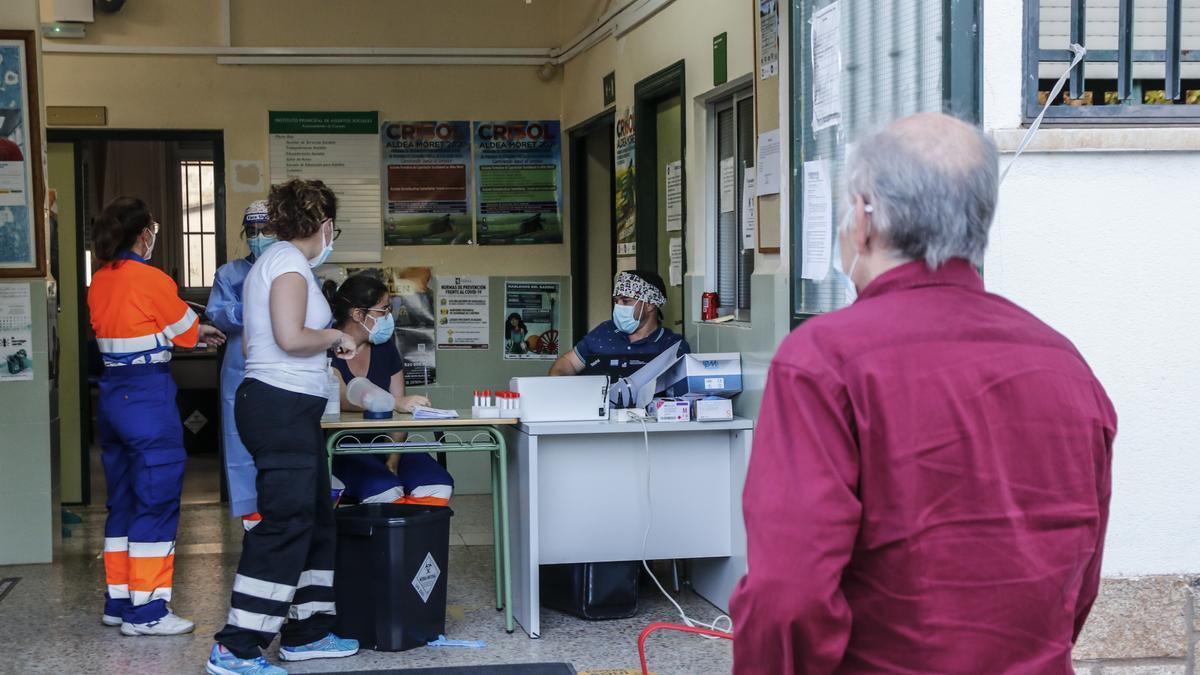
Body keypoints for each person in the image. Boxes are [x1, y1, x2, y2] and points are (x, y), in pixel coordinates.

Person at [729, 113, 1116, 674]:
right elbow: (1079, 584)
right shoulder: (1066, 366)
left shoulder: (823, 361)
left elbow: (787, 598)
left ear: (865, 218)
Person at [209, 180, 361, 675]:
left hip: (281, 404)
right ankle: (237, 645)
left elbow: (256, 347)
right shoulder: (291, 266)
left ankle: (308, 631)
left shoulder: (268, 265)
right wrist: (336, 335)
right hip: (281, 408)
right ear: (325, 225)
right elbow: (290, 337)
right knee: (286, 521)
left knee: (316, 515)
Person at [88, 196, 227, 636]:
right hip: (147, 399)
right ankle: (147, 612)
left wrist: (186, 329)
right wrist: (197, 331)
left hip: (112, 396)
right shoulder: (151, 278)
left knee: (124, 501)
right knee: (158, 499)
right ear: (144, 234)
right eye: (154, 230)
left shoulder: (100, 279)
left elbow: (147, 326)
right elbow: (184, 330)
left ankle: (119, 599)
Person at [323, 273, 454, 506]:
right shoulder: (326, 347)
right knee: (385, 491)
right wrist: (396, 403)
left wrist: (393, 460)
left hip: (388, 445)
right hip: (342, 449)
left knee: (437, 485)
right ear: (358, 314)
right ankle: (385, 542)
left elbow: (400, 415)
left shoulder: (385, 349)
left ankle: (417, 542)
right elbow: (343, 398)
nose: (388, 317)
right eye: (383, 311)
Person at [205, 200, 274, 530]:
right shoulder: (229, 273)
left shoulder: (294, 272)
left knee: (281, 443)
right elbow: (218, 313)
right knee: (239, 439)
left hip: (283, 372)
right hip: (240, 370)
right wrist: (253, 307)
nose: (259, 237)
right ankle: (252, 518)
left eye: (266, 230)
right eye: (252, 231)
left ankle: (281, 512)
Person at [550, 270, 689, 380]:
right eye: (616, 301)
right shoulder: (604, 332)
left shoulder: (671, 345)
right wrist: (558, 381)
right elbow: (568, 362)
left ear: (650, 305)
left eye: (626, 301)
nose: (618, 306)